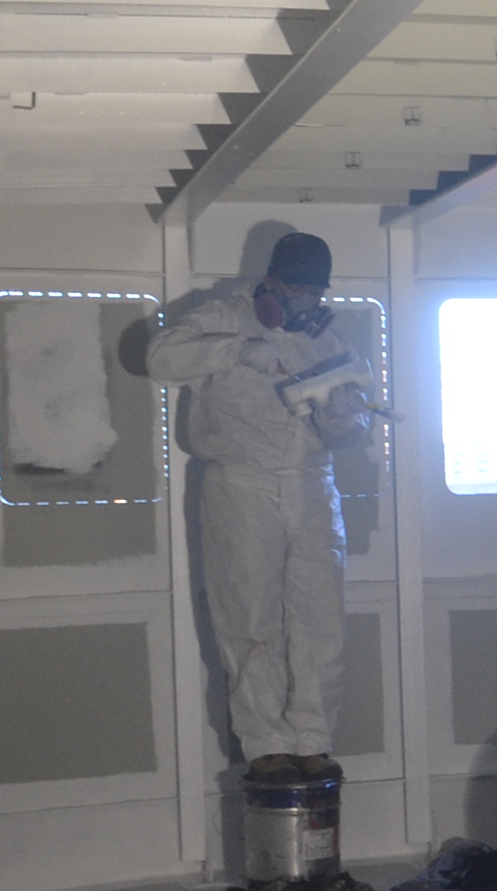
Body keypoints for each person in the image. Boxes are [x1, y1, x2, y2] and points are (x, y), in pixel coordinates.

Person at [146, 231, 370, 788]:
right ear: (271, 281)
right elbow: (160, 358)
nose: (304, 301)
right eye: (295, 288)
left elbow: (350, 433)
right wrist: (236, 351)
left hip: (313, 485)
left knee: (320, 620)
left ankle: (313, 739)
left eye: (314, 291)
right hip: (241, 483)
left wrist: (343, 415)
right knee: (248, 615)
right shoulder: (221, 317)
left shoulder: (329, 339)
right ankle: (267, 743)